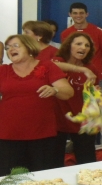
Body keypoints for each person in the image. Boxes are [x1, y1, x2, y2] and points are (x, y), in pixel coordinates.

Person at [0, 35, 73, 175]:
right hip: (8, 135)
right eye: (8, 48)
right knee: (8, 178)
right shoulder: (3, 71)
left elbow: (68, 92)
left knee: (42, 176)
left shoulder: (47, 66)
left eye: (15, 45)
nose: (10, 50)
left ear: (29, 47)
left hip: (42, 134)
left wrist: (55, 89)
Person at [52, 33, 101, 165]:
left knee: (87, 160)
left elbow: (93, 92)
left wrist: (97, 95)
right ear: (69, 46)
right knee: (54, 160)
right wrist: (81, 69)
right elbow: (52, 67)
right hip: (57, 119)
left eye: (87, 45)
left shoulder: (91, 69)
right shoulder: (57, 62)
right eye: (78, 44)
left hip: (82, 120)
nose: (83, 48)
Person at [61, 2, 102, 82]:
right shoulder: (65, 33)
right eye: (75, 13)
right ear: (70, 14)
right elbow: (65, 54)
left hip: (94, 76)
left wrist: (100, 72)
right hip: (72, 76)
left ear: (87, 14)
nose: (78, 16)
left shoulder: (99, 32)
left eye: (81, 13)